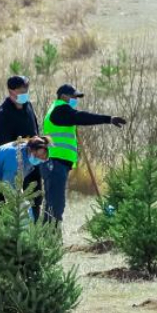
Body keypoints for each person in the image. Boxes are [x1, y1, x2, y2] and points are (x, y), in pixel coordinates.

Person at [39, 84, 127, 224]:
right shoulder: (60, 109)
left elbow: (75, 118)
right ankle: (51, 237)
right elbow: (82, 117)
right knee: (56, 205)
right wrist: (108, 119)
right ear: (63, 96)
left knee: (53, 203)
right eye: (73, 97)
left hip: (56, 163)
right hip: (55, 163)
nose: (75, 100)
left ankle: (48, 237)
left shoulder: (60, 112)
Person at [0, 135, 51, 201]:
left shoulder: (27, 155)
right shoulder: (15, 157)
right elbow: (8, 184)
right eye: (37, 156)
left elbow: (18, 181)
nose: (39, 159)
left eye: (42, 158)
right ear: (30, 149)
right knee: (1, 212)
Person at [0, 75, 39, 146]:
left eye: (26, 91)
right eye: (21, 92)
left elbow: (35, 130)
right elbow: (4, 145)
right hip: (16, 155)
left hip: (33, 154)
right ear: (11, 91)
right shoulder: (3, 114)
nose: (25, 94)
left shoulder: (28, 106)